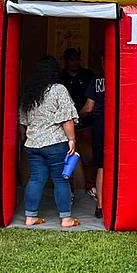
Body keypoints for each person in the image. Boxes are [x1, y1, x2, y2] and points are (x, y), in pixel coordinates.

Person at [18, 56, 81, 228]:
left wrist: (25, 139)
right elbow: (66, 119)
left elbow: (22, 121)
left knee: (36, 179)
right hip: (55, 143)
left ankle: (30, 217)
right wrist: (72, 139)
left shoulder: (30, 91)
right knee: (61, 180)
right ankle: (66, 219)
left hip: (33, 144)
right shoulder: (58, 89)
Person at [60, 47, 96, 189]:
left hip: (85, 121)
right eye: (71, 60)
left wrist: (82, 114)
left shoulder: (88, 75)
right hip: (66, 124)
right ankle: (71, 187)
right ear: (66, 61)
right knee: (68, 158)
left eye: (77, 59)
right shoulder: (61, 77)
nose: (75, 63)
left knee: (89, 157)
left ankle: (90, 184)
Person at [81, 54, 106, 218]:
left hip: (100, 126)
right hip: (124, 128)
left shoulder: (97, 80)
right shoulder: (125, 74)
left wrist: (76, 115)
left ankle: (100, 206)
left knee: (102, 166)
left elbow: (89, 108)